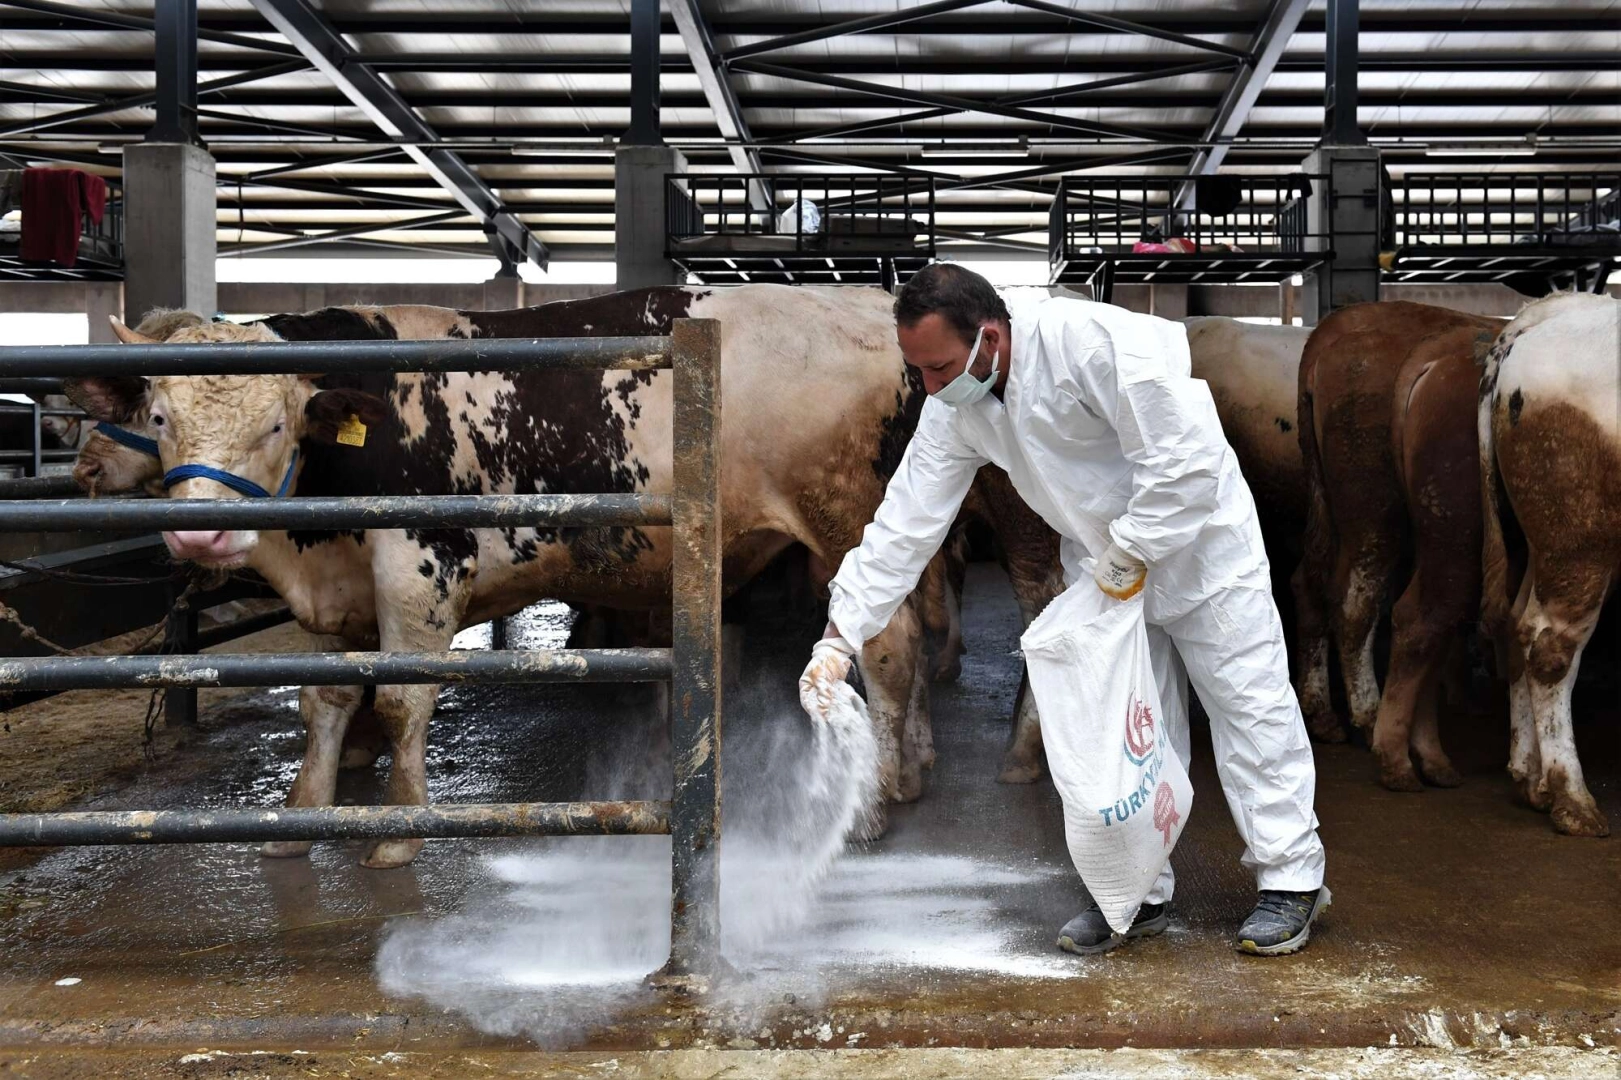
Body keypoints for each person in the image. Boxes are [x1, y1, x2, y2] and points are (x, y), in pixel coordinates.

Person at [801, 264, 1328, 956]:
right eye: (919, 371)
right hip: (1104, 570)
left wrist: (1131, 550)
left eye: (940, 367)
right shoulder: (955, 407)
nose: (929, 386)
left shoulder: (1096, 343)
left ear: (990, 337)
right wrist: (838, 638)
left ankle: (1290, 878)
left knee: (1247, 705)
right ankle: (1133, 893)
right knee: (1123, 727)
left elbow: (1188, 463)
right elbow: (904, 524)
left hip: (1202, 552)